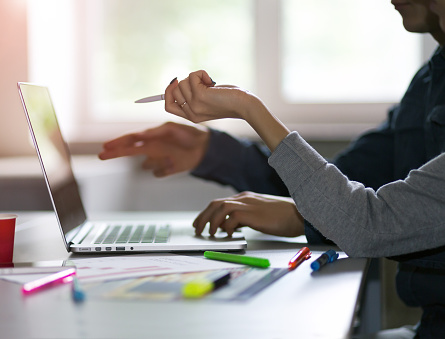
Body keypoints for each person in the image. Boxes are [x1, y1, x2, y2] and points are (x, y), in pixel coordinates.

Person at [99, 2, 445, 337]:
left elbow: (368, 222)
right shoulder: (430, 80)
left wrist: (249, 108)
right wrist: (212, 150)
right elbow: (332, 190)